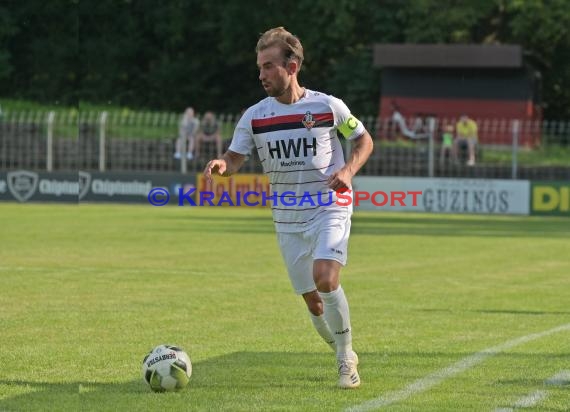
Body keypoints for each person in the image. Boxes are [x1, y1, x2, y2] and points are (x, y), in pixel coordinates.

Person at [203, 27, 374, 389]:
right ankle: (341, 348)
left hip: (329, 205)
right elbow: (235, 157)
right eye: (259, 67)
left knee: (325, 278)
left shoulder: (327, 106)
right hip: (287, 219)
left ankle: (345, 359)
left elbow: (363, 140)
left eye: (268, 67)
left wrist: (347, 170)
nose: (261, 75)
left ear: (291, 66)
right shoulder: (254, 116)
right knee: (313, 303)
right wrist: (223, 165)